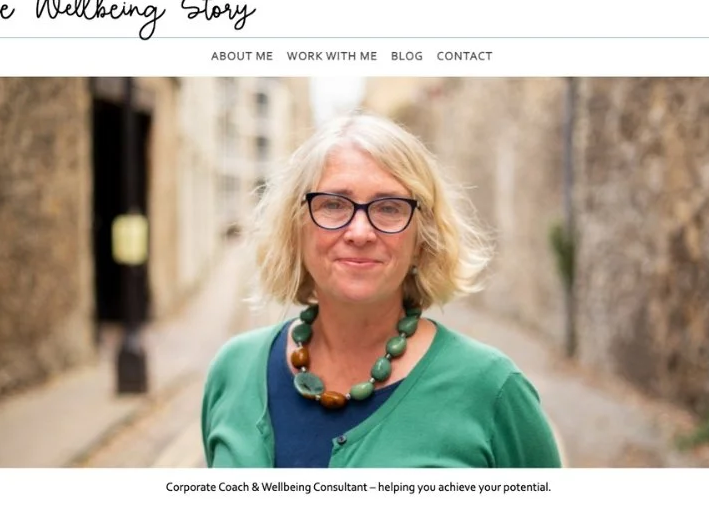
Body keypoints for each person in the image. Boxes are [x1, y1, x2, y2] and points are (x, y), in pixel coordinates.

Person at [200, 112, 562, 468]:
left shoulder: (492, 390)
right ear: (297, 228)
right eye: (333, 205)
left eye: (389, 208)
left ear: (423, 238)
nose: (360, 233)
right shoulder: (234, 370)